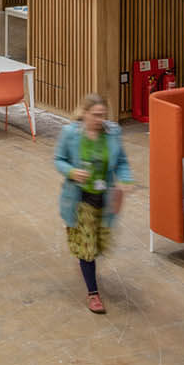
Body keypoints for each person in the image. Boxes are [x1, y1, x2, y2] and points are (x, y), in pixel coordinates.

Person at [54, 93, 134, 314]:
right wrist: (71, 171)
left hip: (104, 200)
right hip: (80, 201)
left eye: (103, 115)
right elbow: (58, 160)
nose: (100, 120)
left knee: (101, 247)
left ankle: (83, 259)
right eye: (96, 115)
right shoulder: (70, 133)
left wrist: (126, 179)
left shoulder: (113, 133)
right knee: (88, 250)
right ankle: (93, 294)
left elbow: (122, 162)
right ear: (85, 113)